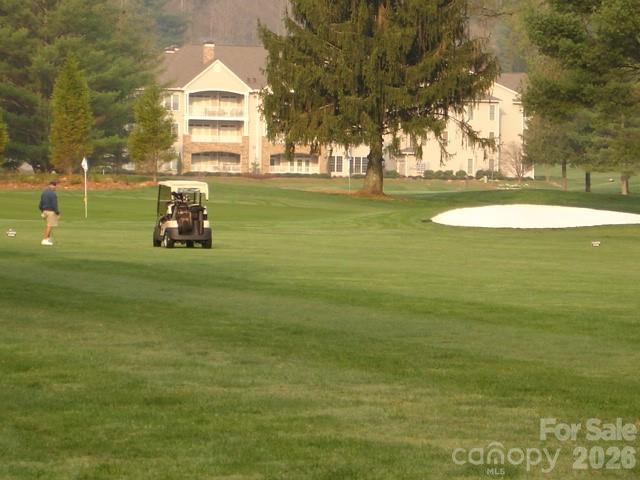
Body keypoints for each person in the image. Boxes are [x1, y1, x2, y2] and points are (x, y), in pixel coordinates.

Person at [39, 180, 60, 246]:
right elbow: (54, 204)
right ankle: (44, 240)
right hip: (51, 211)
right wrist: (57, 213)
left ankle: (47, 238)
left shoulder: (44, 193)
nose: (55, 188)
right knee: (49, 226)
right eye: (55, 186)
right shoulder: (53, 194)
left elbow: (40, 204)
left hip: (44, 211)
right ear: (53, 186)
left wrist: (42, 211)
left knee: (48, 225)